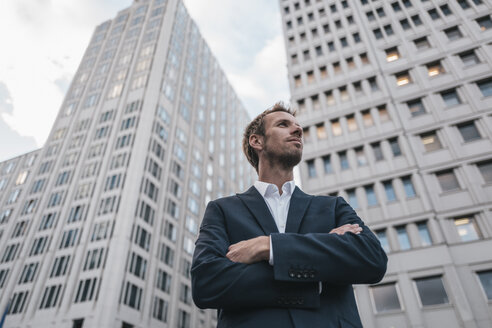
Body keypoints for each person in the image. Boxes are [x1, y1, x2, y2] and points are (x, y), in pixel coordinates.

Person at [191, 103, 387, 328]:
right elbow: (206, 283)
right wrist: (316, 273)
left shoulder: (332, 207)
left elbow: (373, 259)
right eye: (283, 125)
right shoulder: (222, 210)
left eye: (298, 126)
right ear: (257, 141)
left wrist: (269, 247)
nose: (297, 131)